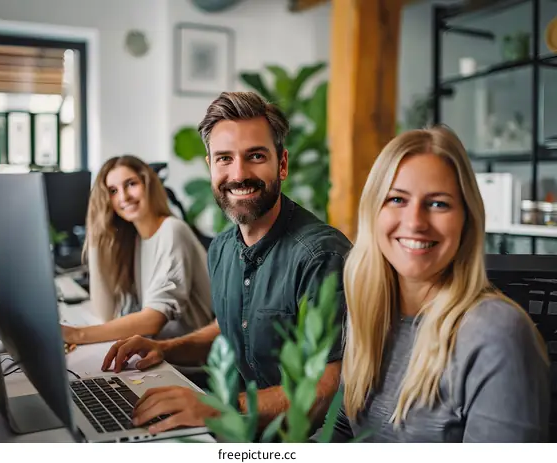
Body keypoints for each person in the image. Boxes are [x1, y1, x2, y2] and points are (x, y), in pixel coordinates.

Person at [101, 91, 352, 435]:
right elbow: (231, 326)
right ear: (210, 166)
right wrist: (164, 349)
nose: (239, 173)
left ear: (282, 164)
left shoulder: (321, 256)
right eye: (224, 159)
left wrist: (214, 408)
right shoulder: (221, 248)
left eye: (255, 156)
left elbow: (323, 389)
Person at [312, 126, 551, 443]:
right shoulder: (371, 310)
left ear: (467, 219)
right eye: (397, 199)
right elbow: (342, 431)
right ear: (373, 211)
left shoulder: (496, 333)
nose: (415, 222)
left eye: (438, 204)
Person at [61, 155, 213, 345]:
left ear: (148, 184)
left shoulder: (172, 230)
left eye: (131, 184)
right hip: (154, 356)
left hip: (187, 364)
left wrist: (77, 335)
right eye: (113, 191)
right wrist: (96, 237)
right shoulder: (134, 241)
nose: (124, 197)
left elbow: (153, 320)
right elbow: (106, 313)